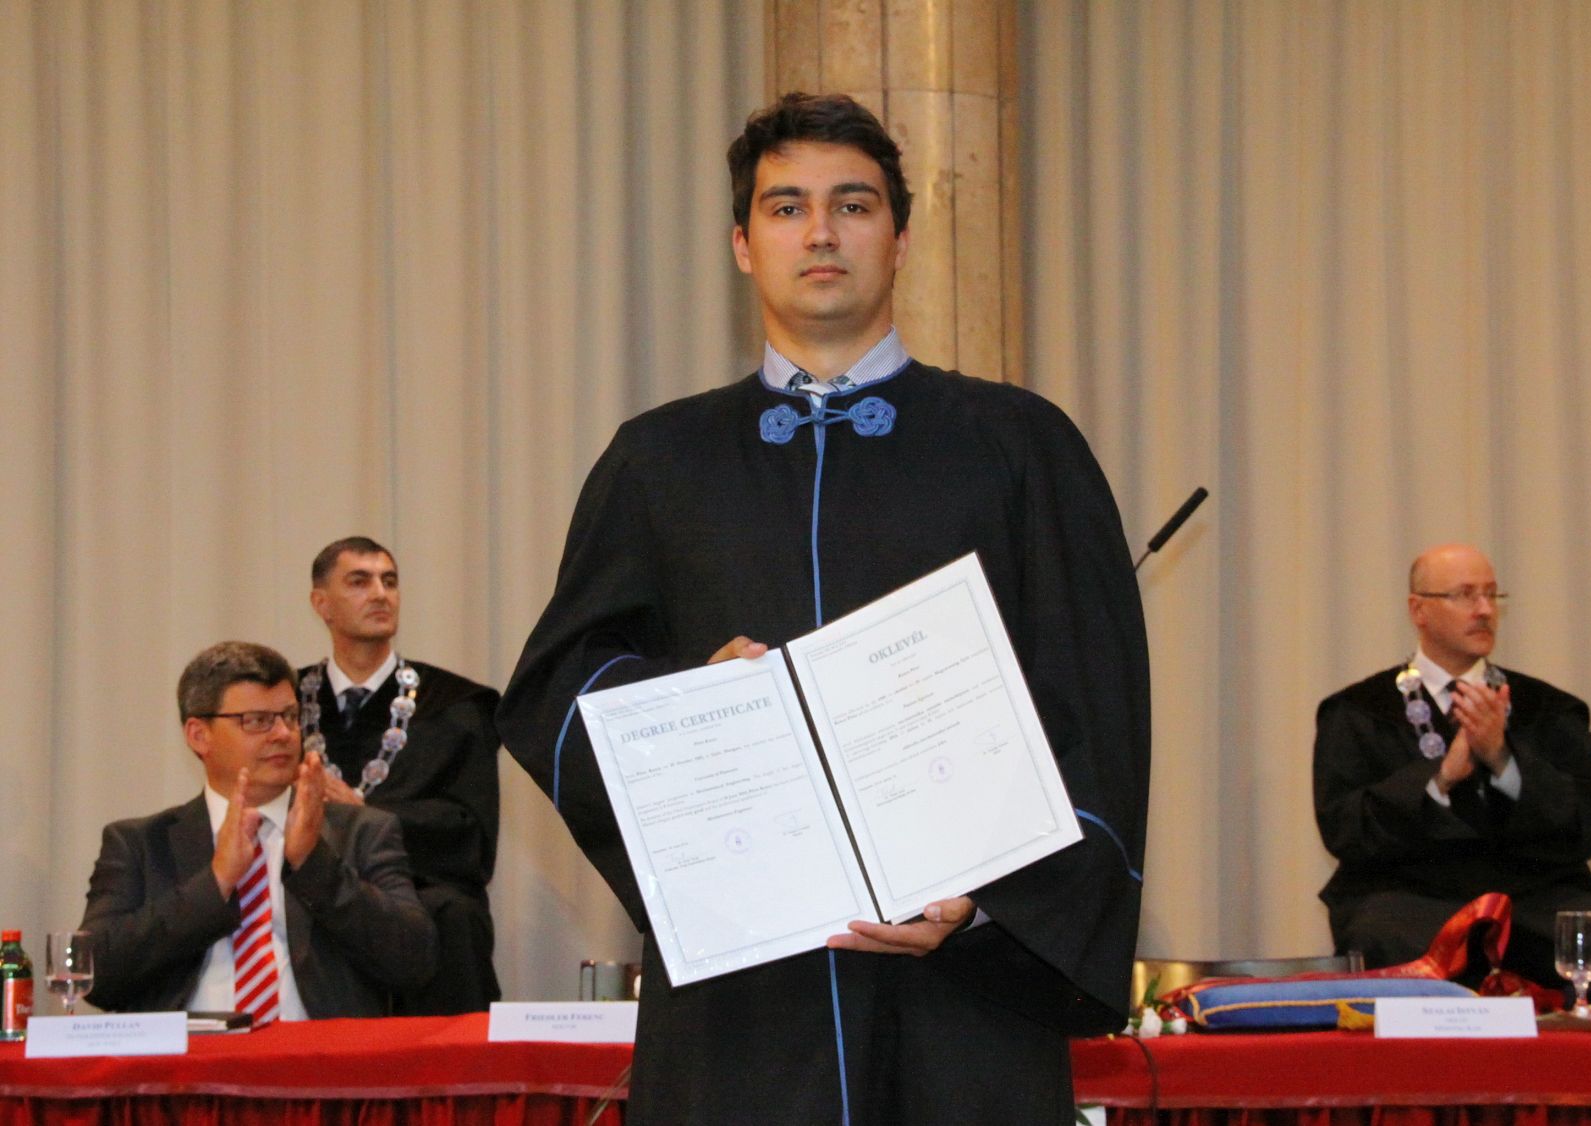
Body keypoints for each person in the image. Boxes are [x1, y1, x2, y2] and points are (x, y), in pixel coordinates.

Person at [499, 93, 1151, 1124]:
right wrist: (686, 705)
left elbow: (1095, 707)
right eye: (786, 207)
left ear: (899, 238)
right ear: (741, 245)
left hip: (962, 995)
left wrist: (989, 904)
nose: (819, 232)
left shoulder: (1019, 445)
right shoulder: (657, 460)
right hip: (743, 996)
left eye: (851, 205)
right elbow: (556, 691)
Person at [1314, 543, 1591, 1005]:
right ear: (1418, 610)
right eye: (1464, 595)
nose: (1484, 610)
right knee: (1388, 940)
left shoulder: (1549, 710)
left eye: (1491, 595)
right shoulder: (1356, 712)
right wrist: (1440, 777)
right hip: (1407, 893)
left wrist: (1503, 760)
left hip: (1531, 893)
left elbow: (1584, 826)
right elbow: (1344, 830)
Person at [81, 641, 437, 1019]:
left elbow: (416, 963)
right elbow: (95, 975)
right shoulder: (140, 844)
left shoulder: (361, 832)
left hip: (316, 1050)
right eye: (256, 720)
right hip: (189, 1053)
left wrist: (313, 863)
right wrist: (216, 881)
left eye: (290, 716)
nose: (283, 734)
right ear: (199, 735)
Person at [301, 536, 502, 1013]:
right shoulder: (283, 705)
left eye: (389, 582)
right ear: (321, 604)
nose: (380, 594)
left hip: (421, 896)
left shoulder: (456, 706)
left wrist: (362, 814)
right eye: (359, 582)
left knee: (452, 916)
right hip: (309, 893)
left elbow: (471, 835)